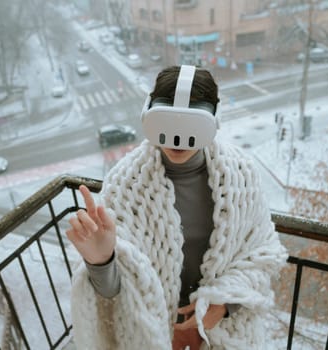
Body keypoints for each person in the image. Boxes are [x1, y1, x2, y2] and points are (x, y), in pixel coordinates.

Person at [66, 65, 288, 349]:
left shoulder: (242, 176)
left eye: (191, 126)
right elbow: (112, 293)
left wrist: (223, 305)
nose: (177, 140)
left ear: (213, 120)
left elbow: (262, 255)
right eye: (167, 124)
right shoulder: (125, 185)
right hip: (148, 333)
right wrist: (100, 261)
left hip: (224, 330)